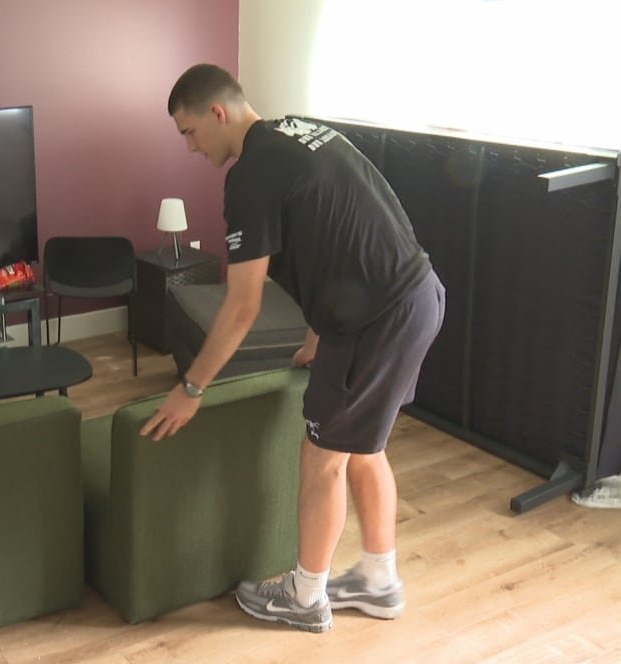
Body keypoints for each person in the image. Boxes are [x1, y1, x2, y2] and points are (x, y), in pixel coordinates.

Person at [140, 63, 445, 633]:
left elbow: (242, 306)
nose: (189, 147)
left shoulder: (250, 175)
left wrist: (190, 388)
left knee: (322, 456)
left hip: (374, 322)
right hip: (418, 296)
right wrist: (315, 335)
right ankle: (380, 580)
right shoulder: (301, 131)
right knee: (365, 445)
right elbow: (336, 238)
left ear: (217, 112)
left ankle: (305, 597)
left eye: (188, 132)